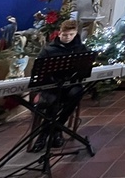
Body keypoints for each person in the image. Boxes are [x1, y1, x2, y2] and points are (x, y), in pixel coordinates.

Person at [32, 20, 88, 152]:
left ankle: (57, 130)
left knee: (77, 93)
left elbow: (85, 67)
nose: (67, 37)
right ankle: (43, 135)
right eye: (65, 35)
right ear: (59, 33)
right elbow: (37, 71)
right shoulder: (49, 50)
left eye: (71, 34)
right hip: (51, 85)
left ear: (76, 34)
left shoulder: (81, 48)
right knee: (52, 101)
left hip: (71, 84)